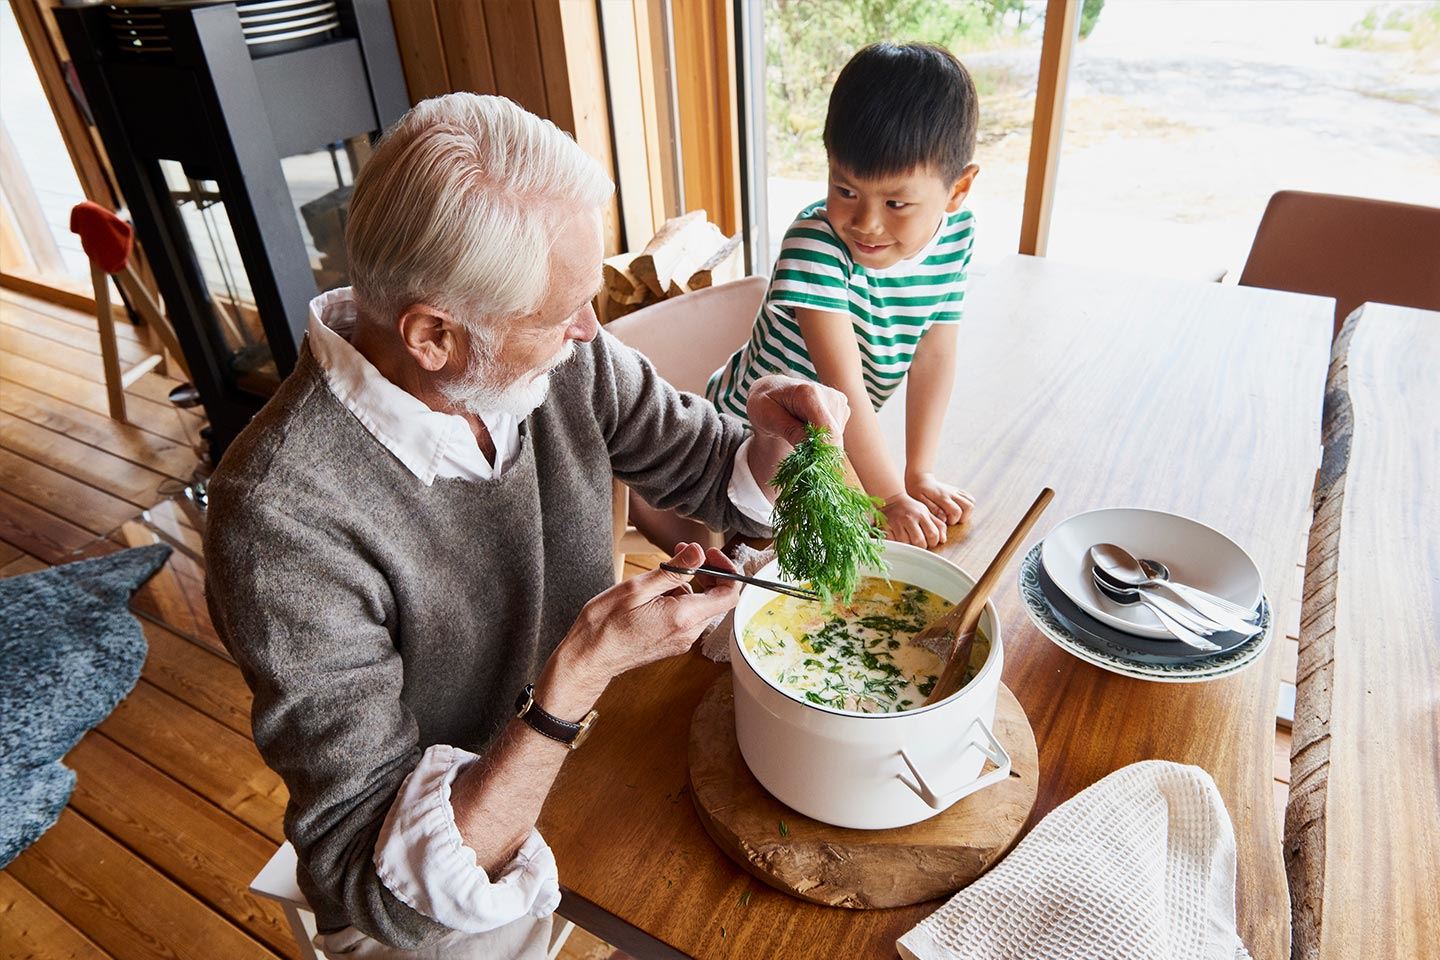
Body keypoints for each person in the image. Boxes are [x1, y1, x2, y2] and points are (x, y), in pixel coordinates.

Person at [203, 93, 847, 959]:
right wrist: (575, 678)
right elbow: (374, 878)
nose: (589, 331)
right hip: (433, 875)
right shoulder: (281, 519)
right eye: (560, 314)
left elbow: (700, 462)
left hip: (585, 755)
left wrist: (771, 443)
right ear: (433, 334)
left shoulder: (563, 356)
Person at [707, 42, 982, 548]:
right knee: (803, 567)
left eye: (896, 202)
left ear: (958, 190)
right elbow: (846, 386)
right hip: (749, 438)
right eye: (845, 189)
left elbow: (934, 356)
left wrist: (917, 474)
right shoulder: (816, 244)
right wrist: (889, 497)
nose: (866, 223)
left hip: (832, 439)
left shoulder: (957, 235)